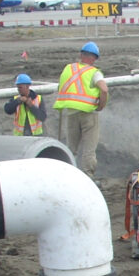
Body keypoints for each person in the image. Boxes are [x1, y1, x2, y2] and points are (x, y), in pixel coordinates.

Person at [53, 41, 108, 177]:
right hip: (88, 114)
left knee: (71, 148)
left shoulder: (68, 69)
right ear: (93, 58)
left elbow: (61, 86)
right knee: (89, 150)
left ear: (81, 55)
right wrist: (100, 106)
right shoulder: (94, 72)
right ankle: (88, 177)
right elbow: (104, 89)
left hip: (71, 113)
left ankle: (67, 175)